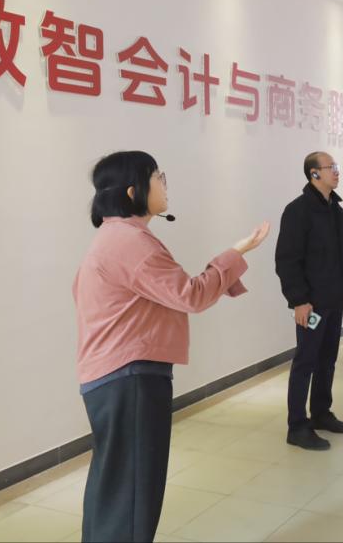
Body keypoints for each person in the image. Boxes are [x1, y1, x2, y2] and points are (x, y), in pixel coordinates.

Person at [74, 151, 269, 542]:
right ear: (134, 191)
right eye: (158, 177)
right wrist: (236, 253)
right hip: (130, 377)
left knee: (115, 488)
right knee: (133, 493)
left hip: (116, 376)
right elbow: (190, 295)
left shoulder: (115, 237)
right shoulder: (130, 242)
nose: (165, 184)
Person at [275, 152, 343, 450]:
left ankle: (321, 413)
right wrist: (299, 301)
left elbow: (342, 255)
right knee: (306, 361)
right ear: (314, 173)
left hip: (334, 301)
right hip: (311, 305)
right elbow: (287, 261)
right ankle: (297, 426)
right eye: (331, 167)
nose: (337, 172)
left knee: (327, 359)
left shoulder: (336, 210)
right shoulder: (297, 211)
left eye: (337, 167)